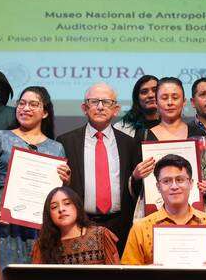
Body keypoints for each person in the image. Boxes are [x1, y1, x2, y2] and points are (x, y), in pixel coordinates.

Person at [0, 86, 70, 266]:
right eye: (22, 103)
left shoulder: (55, 147)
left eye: (33, 104)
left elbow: (58, 192)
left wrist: (66, 181)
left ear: (45, 113)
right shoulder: (1, 138)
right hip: (3, 220)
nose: (25, 108)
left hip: (39, 224)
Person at [56, 82, 139, 255]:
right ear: (84, 108)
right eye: (94, 102)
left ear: (116, 109)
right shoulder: (65, 141)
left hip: (120, 225)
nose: (100, 107)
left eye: (106, 102)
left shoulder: (129, 143)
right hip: (79, 224)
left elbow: (134, 187)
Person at [121, 154, 206, 266]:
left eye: (180, 180)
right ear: (158, 187)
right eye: (166, 181)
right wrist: (146, 272)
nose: (174, 186)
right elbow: (127, 273)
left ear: (190, 183)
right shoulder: (140, 228)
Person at [131, 77, 206, 220]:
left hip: (193, 214)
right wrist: (136, 176)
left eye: (175, 97)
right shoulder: (144, 135)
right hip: (153, 214)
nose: (170, 102)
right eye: (164, 97)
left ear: (184, 101)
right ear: (157, 102)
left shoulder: (198, 135)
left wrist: (205, 186)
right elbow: (133, 187)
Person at [32, 186, 120, 264]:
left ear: (77, 206)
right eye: (54, 207)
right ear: (49, 215)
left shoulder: (101, 235)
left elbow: (115, 273)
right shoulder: (43, 245)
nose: (61, 209)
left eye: (67, 203)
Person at [114, 75, 160, 139]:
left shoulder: (173, 124)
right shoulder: (122, 128)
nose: (150, 95)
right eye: (144, 92)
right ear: (137, 98)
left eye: (155, 90)